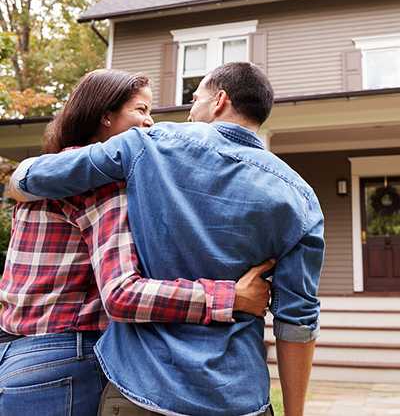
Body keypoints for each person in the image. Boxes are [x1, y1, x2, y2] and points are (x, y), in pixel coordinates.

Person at [11, 62, 324, 416]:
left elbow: (30, 178)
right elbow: (297, 321)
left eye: (195, 99)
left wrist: (19, 182)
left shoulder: (147, 147)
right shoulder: (301, 197)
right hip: (237, 393)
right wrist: (294, 412)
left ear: (219, 101)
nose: (188, 112)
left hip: (143, 388)